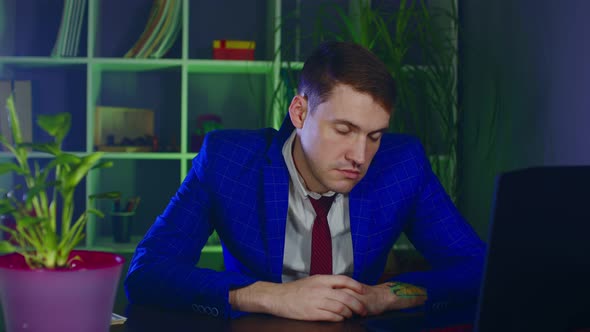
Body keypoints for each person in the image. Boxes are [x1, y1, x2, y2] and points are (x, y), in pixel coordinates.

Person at [125, 41, 486, 321]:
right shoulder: (226, 161)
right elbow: (147, 273)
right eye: (344, 130)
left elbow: (476, 268)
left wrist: (388, 295)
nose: (360, 156)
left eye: (374, 136)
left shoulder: (402, 164)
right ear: (299, 112)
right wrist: (266, 295)